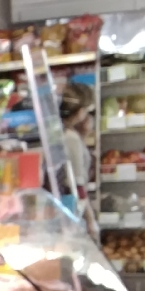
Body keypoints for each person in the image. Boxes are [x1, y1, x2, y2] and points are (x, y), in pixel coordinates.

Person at [59, 83, 98, 236]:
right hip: (71, 212)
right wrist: (90, 220)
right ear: (81, 113)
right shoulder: (71, 138)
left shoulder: (64, 133)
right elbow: (77, 186)